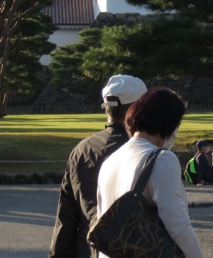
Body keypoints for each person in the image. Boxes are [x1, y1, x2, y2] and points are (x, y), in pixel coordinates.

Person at [96, 87, 204, 258]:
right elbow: (177, 224)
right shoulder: (161, 159)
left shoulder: (110, 161)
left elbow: (102, 218)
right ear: (168, 123)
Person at [48, 74, 147, 257]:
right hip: (133, 248)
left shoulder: (82, 149)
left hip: (87, 248)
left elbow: (66, 216)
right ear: (138, 109)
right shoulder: (145, 151)